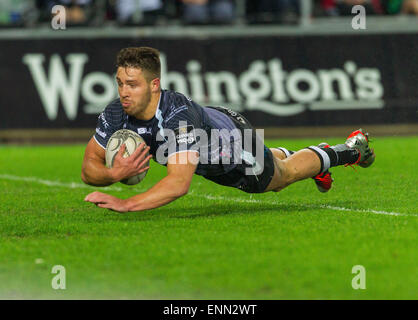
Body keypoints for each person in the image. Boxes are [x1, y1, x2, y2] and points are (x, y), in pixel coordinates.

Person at [82, 47, 375, 213]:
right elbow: (88, 168)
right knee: (275, 164)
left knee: (280, 178)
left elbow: (178, 184)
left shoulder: (176, 117)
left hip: (232, 145)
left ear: (154, 85)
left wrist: (126, 203)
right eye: (120, 83)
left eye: (132, 84)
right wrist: (112, 174)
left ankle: (347, 150)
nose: (123, 92)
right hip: (213, 132)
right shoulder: (116, 111)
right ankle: (297, 155)